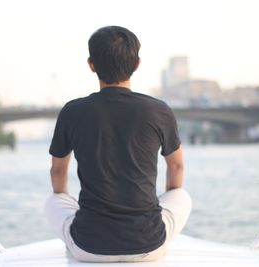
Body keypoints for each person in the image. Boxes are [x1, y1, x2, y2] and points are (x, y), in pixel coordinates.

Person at [44, 25, 192, 262]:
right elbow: (177, 167)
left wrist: (68, 204)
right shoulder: (159, 111)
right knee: (181, 196)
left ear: (91, 64)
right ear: (136, 64)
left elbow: (58, 170)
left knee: (54, 200)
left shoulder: (72, 112)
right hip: (148, 245)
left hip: (88, 247)